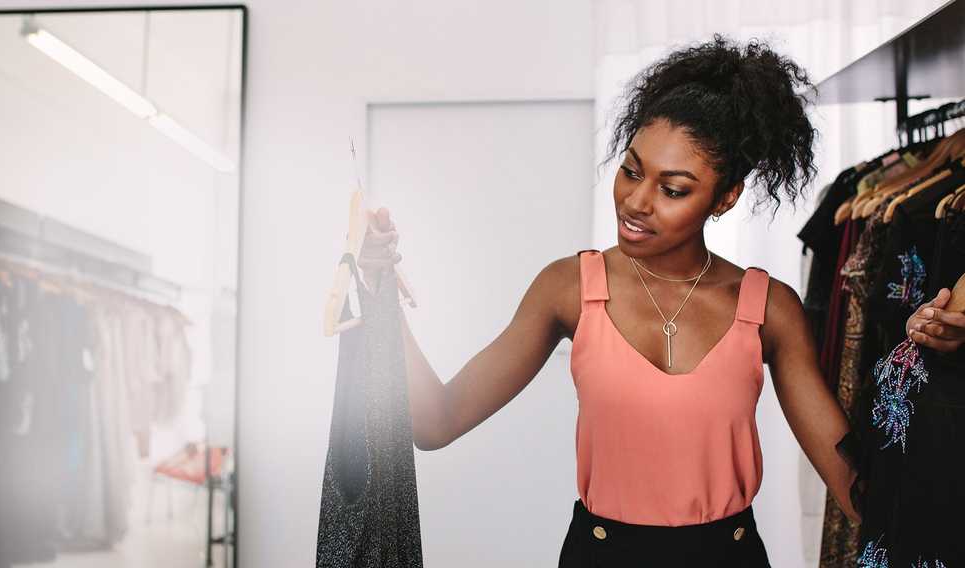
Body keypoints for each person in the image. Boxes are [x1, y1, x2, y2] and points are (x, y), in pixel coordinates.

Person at [354, 36, 964, 567]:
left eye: (673, 189)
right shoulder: (569, 288)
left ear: (725, 198)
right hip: (600, 557)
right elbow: (433, 423)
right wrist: (380, 293)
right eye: (630, 171)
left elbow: (860, 494)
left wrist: (928, 358)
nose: (637, 202)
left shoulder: (768, 307)